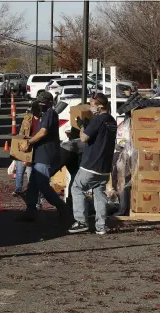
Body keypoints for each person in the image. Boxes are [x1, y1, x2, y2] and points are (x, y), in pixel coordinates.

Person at [68, 93, 117, 235]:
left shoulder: (98, 120)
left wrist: (82, 126)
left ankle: (81, 221)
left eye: (92, 104)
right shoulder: (112, 121)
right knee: (99, 193)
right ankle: (101, 226)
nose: (90, 107)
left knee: (77, 188)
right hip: (104, 167)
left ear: (100, 106)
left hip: (91, 165)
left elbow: (84, 138)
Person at [18, 92, 69, 221]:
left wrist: (29, 142)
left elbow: (43, 132)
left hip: (46, 155)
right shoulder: (44, 114)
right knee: (33, 185)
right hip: (39, 155)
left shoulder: (50, 113)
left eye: (43, 102)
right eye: (39, 102)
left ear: (50, 102)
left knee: (42, 185)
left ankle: (62, 207)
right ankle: (30, 211)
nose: (41, 104)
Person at [12, 101, 45, 210]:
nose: (33, 112)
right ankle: (19, 190)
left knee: (33, 177)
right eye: (32, 110)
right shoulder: (27, 118)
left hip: (36, 149)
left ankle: (36, 202)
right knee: (20, 170)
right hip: (26, 146)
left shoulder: (43, 119)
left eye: (35, 110)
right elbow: (22, 133)